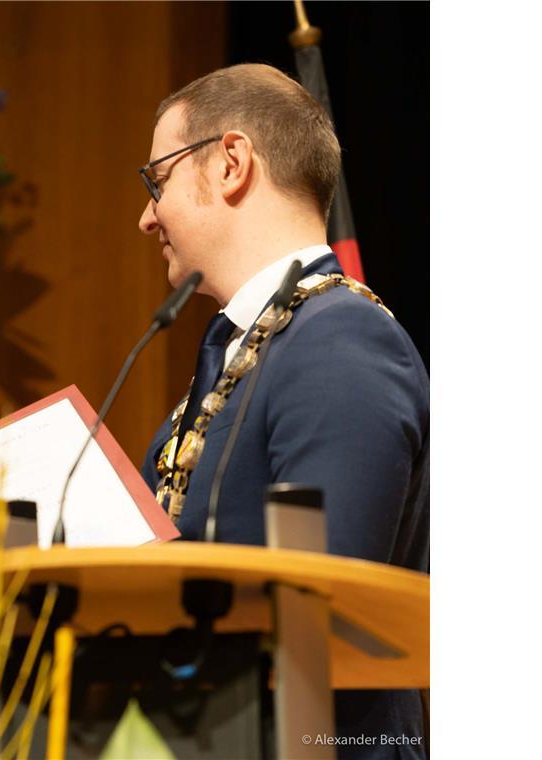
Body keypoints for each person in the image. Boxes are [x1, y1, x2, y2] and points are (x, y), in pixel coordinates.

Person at [137, 64, 428, 758]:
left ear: (232, 162)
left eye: (158, 181)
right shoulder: (255, 347)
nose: (146, 216)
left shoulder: (338, 339)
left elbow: (322, 608)